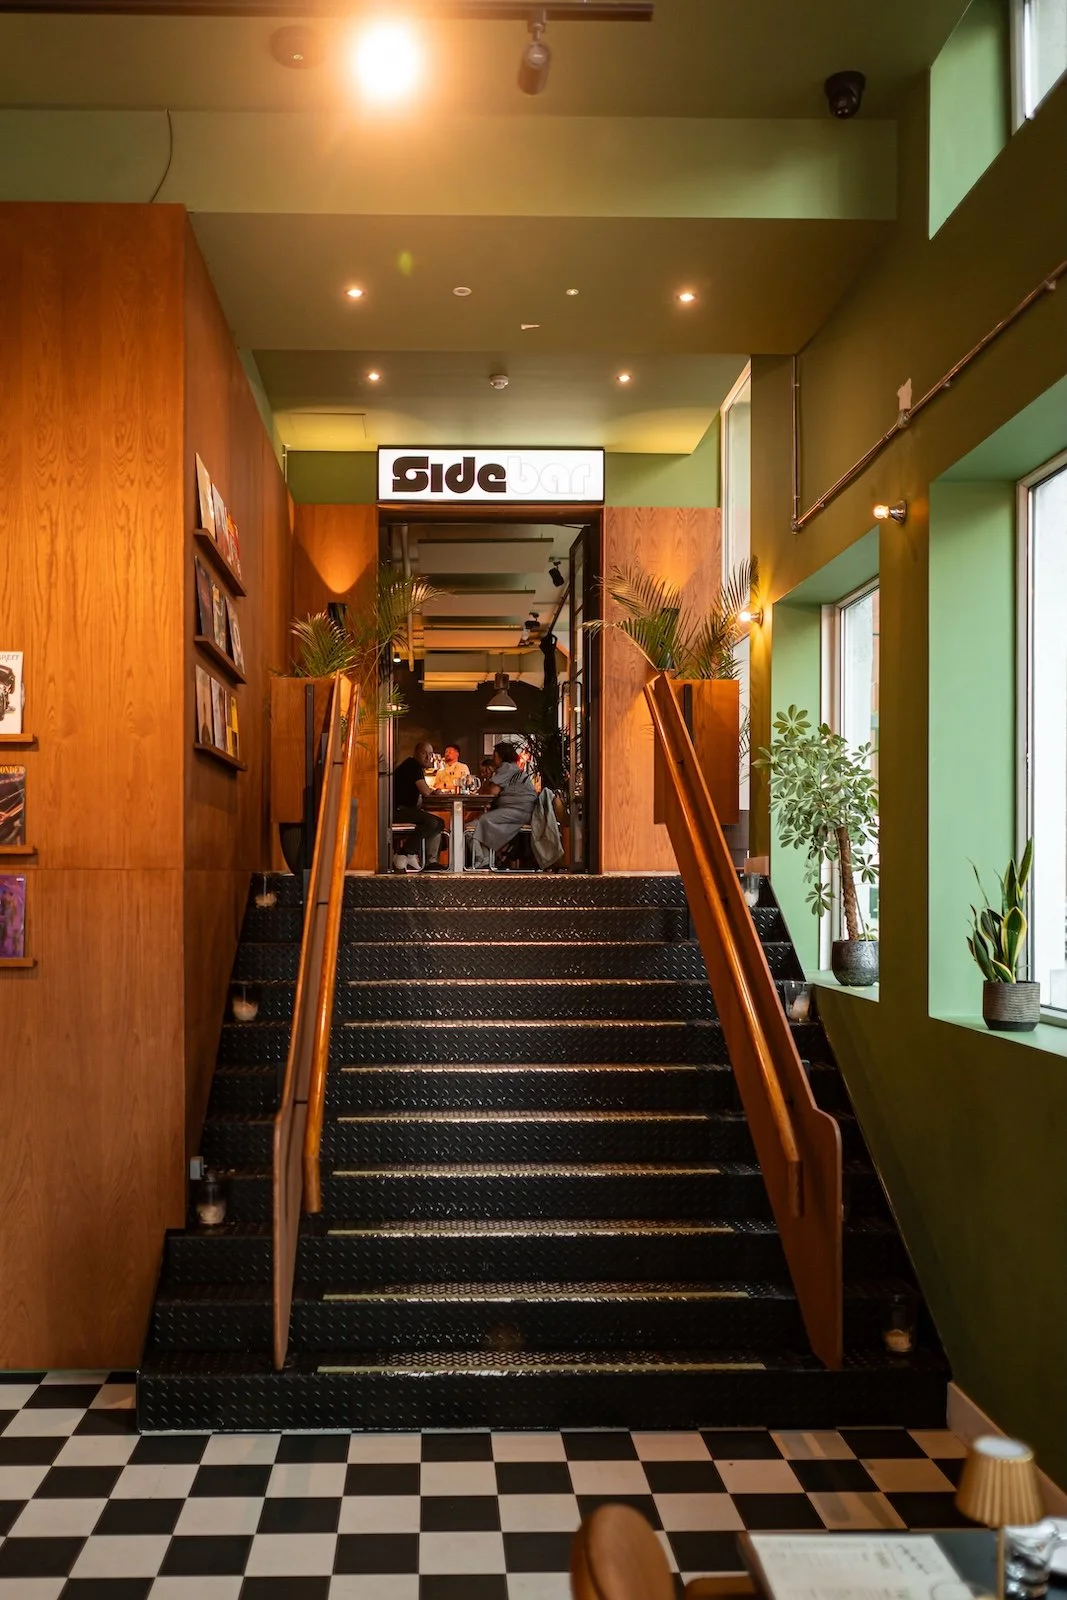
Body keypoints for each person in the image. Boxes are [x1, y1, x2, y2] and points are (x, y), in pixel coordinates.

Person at [465, 741, 536, 870]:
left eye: (495, 756)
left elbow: (492, 792)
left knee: (469, 828)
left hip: (516, 811)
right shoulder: (513, 767)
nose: (493, 759)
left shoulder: (506, 768)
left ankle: (482, 858)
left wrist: (487, 784)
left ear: (501, 757)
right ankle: (485, 859)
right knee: (478, 824)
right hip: (523, 811)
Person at [393, 740, 444, 872]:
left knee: (436, 823)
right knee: (434, 822)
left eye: (430, 754)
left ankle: (416, 856)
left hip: (404, 809)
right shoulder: (412, 765)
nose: (428, 757)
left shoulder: (413, 766)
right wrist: (435, 792)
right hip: (398, 810)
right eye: (424, 753)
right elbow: (425, 792)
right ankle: (404, 853)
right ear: (416, 753)